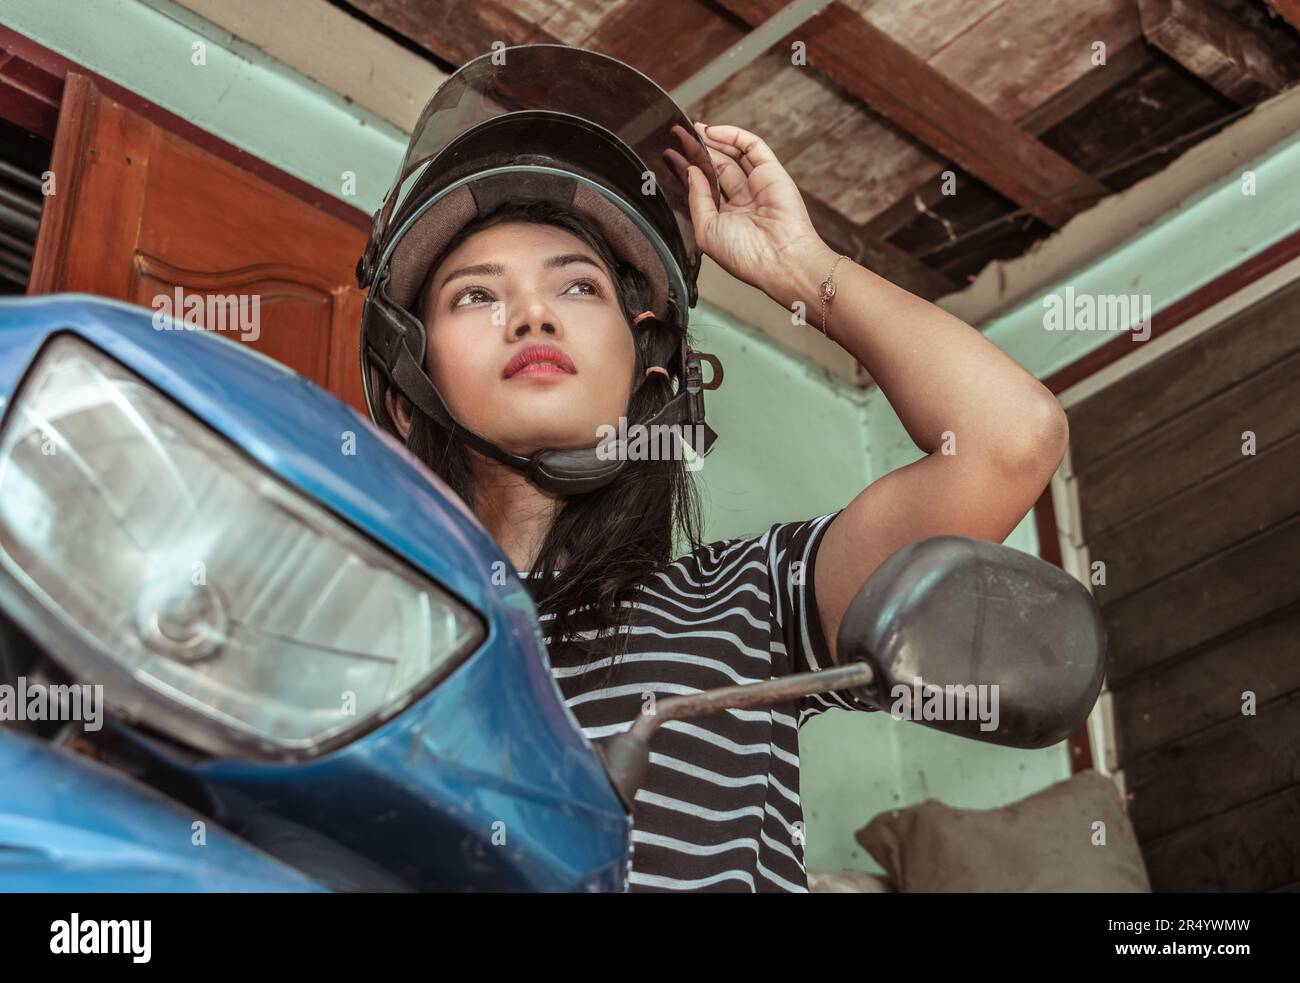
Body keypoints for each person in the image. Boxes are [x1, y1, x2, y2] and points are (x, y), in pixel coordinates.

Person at [357, 48, 1067, 892]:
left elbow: (1010, 436)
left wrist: (806, 274)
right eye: (477, 294)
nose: (534, 313)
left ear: (648, 364)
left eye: (580, 288)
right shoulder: (364, 635)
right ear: (408, 389)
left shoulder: (753, 601)